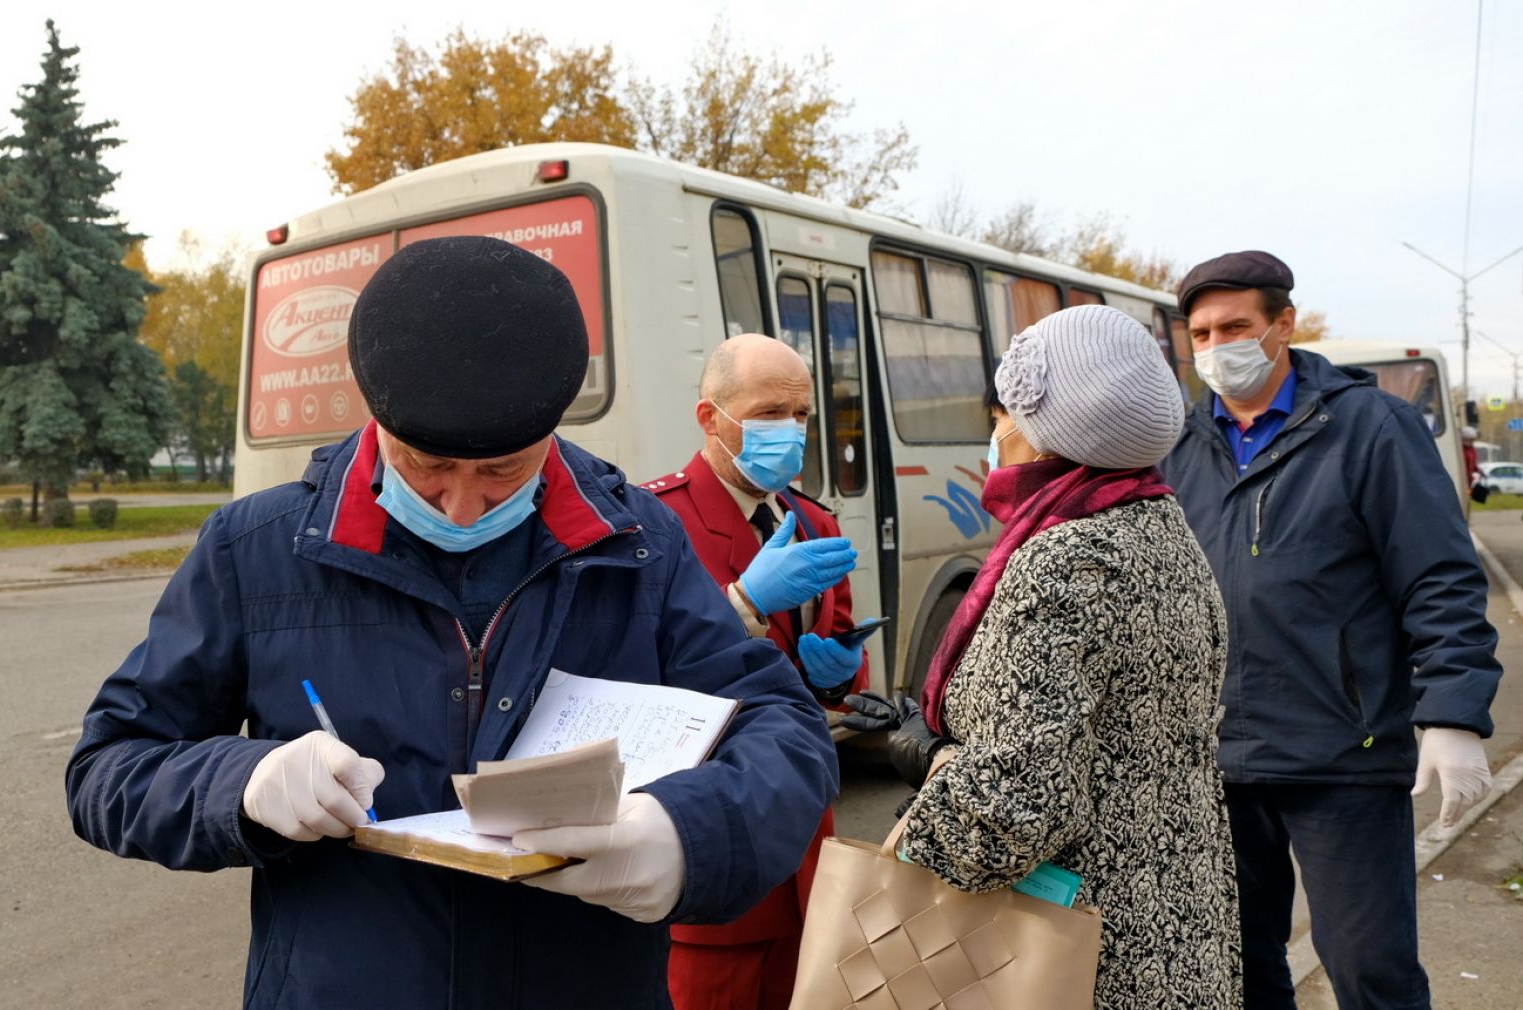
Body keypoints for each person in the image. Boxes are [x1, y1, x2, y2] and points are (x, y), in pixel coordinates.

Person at [64, 236, 839, 1009]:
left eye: (503, 472)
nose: (463, 505)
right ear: (377, 421)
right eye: (424, 465)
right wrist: (243, 782)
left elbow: (785, 730)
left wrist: (684, 836)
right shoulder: (254, 549)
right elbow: (110, 766)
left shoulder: (637, 544)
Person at [1163, 251, 1501, 1010]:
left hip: (1343, 754)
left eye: (1236, 327)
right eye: (1203, 332)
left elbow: (1438, 576)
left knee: (1370, 970)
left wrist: (1452, 712)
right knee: (1238, 972)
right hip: (1215, 760)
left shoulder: (1368, 425)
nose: (1218, 347)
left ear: (1283, 325)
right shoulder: (1180, 445)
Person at [888, 305, 1242, 1008]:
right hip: (1181, 922)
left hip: (1079, 950)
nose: (995, 434)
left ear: (1043, 429)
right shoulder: (1162, 525)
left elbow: (1017, 812)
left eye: (1004, 415)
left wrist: (929, 777)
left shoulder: (1062, 558)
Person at [640, 333, 867, 1010]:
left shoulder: (812, 520)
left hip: (806, 840)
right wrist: (741, 606)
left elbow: (837, 669)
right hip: (719, 837)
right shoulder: (656, 521)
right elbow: (636, 679)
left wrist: (838, 676)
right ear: (711, 419)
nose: (790, 434)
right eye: (770, 414)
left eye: (800, 418)